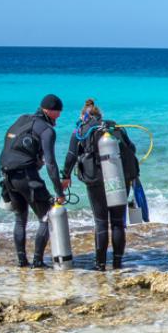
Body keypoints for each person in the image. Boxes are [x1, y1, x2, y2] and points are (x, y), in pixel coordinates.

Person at [60, 99, 137, 270]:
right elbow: (132, 149)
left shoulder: (80, 130)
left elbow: (71, 155)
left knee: (101, 222)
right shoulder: (113, 127)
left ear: (83, 115)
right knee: (118, 222)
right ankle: (117, 263)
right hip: (119, 178)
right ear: (100, 115)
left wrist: (65, 176)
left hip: (96, 181)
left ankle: (100, 264)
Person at [0, 94, 65, 267]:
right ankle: (38, 261)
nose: (59, 116)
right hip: (26, 176)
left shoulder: (23, 119)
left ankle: (22, 261)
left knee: (20, 218)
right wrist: (59, 192)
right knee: (47, 215)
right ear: (51, 111)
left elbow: (11, 146)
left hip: (7, 175)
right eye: (59, 112)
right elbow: (51, 164)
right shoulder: (47, 130)